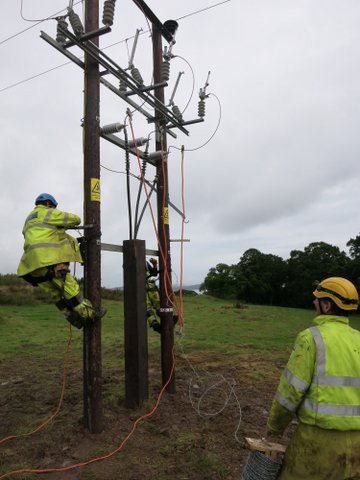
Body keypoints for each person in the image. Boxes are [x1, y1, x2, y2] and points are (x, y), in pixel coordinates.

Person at [266, 277, 360, 479]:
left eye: (317, 300)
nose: (313, 303)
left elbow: (289, 393)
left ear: (327, 305)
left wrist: (274, 428)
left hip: (317, 443)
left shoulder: (311, 338)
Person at [17, 193, 104, 329]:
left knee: (55, 294)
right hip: (48, 260)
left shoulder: (28, 219)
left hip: (31, 266)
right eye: (53, 206)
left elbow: (40, 234)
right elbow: (76, 219)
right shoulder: (48, 213)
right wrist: (62, 224)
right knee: (70, 288)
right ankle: (89, 314)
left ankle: (73, 318)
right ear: (48, 204)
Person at [146, 257, 161, 333]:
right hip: (141, 290)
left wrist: (154, 265)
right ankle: (156, 326)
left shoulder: (145, 263)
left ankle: (168, 320)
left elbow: (154, 274)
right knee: (148, 310)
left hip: (152, 289)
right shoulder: (129, 263)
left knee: (159, 307)